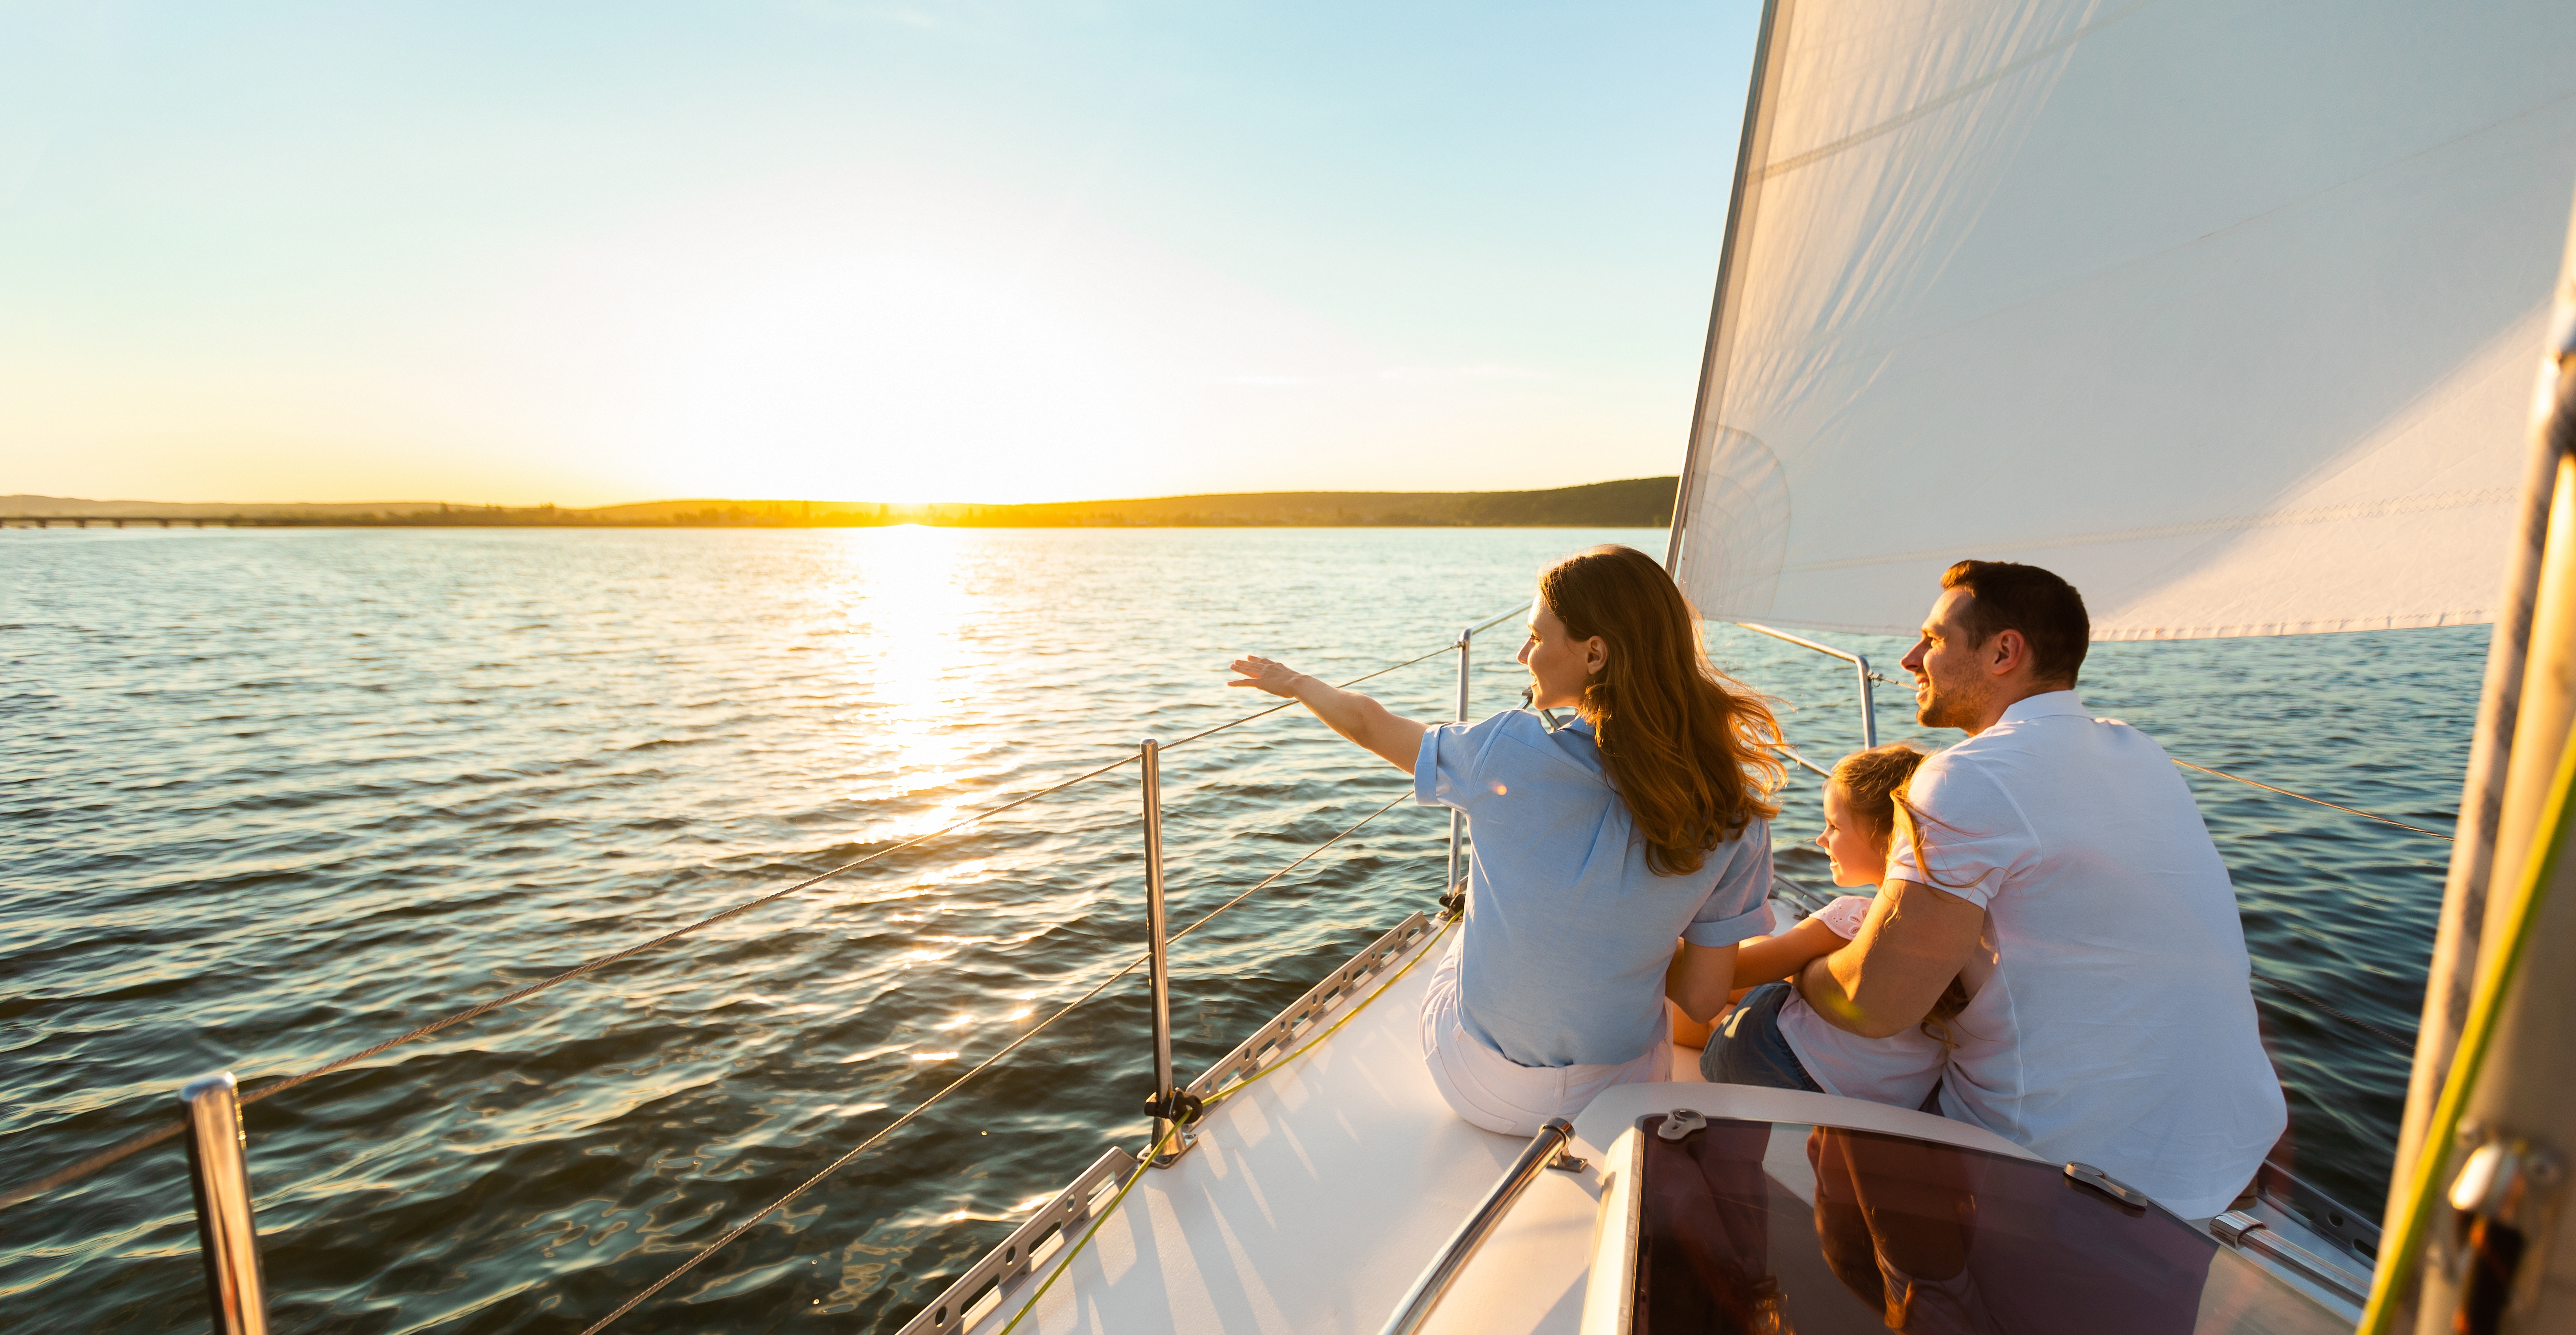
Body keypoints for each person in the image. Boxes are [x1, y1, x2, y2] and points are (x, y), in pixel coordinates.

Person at [1705, 560, 2286, 1219]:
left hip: (2054, 1159)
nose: (1908, 658)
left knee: (1758, 1025)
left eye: (1933, 639)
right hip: (2222, 1148)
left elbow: (1876, 1001)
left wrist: (1800, 972)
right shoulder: (2138, 751)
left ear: (2004, 651)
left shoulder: (1967, 776)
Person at [1226, 545, 1784, 1136]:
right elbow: (1702, 1001)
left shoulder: (1503, 750)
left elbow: (1369, 724)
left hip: (1477, 1084)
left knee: (1469, 918)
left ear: (1594, 653)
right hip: (1617, 1100)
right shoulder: (1735, 816)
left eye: (1536, 638)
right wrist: (1627, 944)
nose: (1522, 655)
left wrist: (1297, 683)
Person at [1691, 744, 1967, 1113]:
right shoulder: (1961, 933)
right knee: (1770, 967)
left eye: (1834, 826)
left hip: (1775, 1066)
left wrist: (1666, 942)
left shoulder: (1851, 918)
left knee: (1731, 1004)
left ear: (1888, 838)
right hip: (1888, 1103)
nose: (1821, 839)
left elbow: (1728, 974)